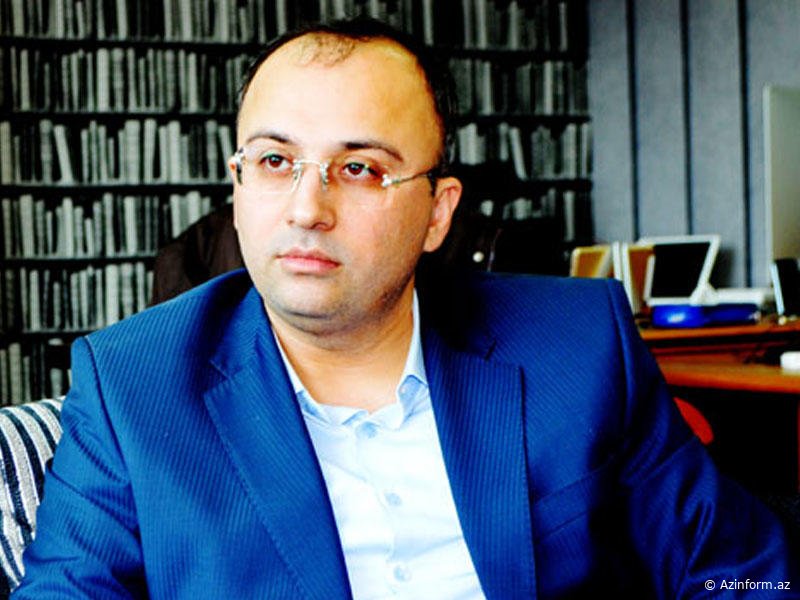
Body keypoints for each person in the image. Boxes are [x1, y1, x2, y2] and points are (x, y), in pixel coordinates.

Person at [14, 18, 798, 599]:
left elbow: (743, 571)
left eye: (359, 168)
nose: (307, 209)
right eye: (276, 160)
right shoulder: (131, 385)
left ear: (437, 213)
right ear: (239, 183)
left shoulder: (578, 342)